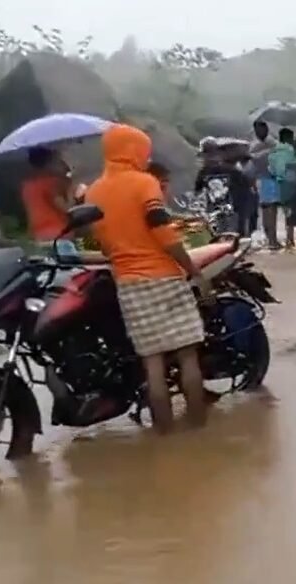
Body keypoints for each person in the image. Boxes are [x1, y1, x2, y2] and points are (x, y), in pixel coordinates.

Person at [84, 124, 212, 434]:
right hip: (164, 277)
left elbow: (99, 241)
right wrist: (194, 272)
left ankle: (165, 436)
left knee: (152, 365)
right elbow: (164, 234)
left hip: (128, 284)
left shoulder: (93, 192)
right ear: (132, 150)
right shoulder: (145, 183)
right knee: (187, 355)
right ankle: (200, 431)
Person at [21, 146, 78, 257]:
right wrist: (71, 186)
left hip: (38, 236)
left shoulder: (27, 186)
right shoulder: (52, 182)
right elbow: (67, 209)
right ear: (49, 162)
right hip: (60, 235)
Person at [194, 141, 254, 236]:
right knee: (233, 235)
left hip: (224, 211)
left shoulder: (205, 172)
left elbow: (197, 192)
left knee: (226, 235)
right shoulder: (231, 170)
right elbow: (246, 187)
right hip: (225, 210)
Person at [249, 121, 280, 249]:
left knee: (271, 211)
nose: (259, 132)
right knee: (267, 211)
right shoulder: (254, 146)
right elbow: (251, 165)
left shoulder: (274, 143)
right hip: (262, 181)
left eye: (261, 129)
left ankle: (272, 240)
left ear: (266, 130)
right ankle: (271, 240)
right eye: (257, 130)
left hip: (272, 180)